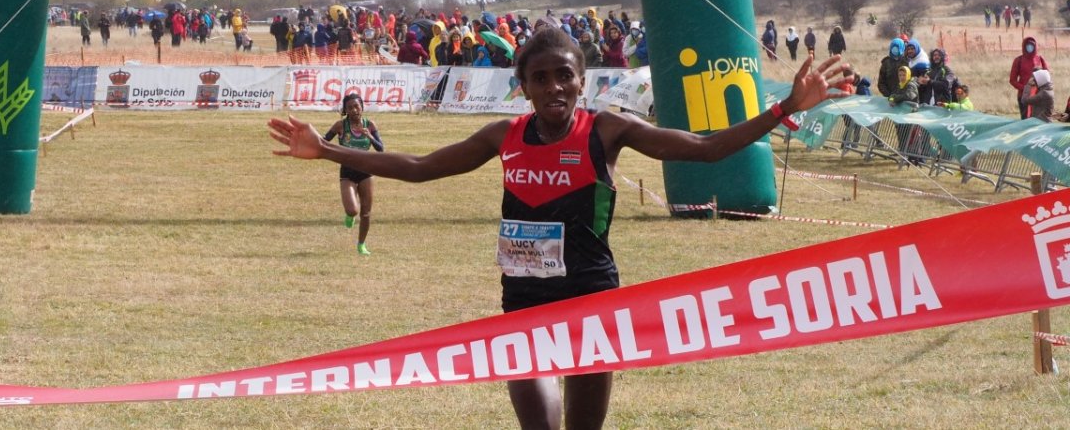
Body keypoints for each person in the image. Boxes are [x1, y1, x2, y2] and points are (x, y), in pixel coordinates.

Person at [268, 28, 850, 430]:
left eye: (564, 76)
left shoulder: (608, 132)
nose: (553, 89)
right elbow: (420, 168)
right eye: (540, 78)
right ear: (522, 84)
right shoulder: (503, 137)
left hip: (594, 300)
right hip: (522, 300)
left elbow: (705, 147)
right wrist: (327, 151)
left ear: (582, 79)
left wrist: (784, 109)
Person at [322, 93, 384, 255]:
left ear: (362, 107)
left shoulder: (370, 124)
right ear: (346, 110)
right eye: (350, 108)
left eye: (357, 106)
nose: (354, 110)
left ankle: (361, 244)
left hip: (366, 171)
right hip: (348, 171)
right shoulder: (340, 126)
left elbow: (380, 149)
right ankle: (349, 216)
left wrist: (369, 136)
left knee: (366, 212)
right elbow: (323, 142)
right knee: (352, 210)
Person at [1009, 36, 1049, 119]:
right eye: (1027, 46)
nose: (1030, 48)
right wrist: (1025, 88)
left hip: (1038, 95)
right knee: (1026, 120)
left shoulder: (1040, 59)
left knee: (1039, 120)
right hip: (1024, 96)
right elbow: (1012, 80)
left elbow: (1047, 76)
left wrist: (1041, 89)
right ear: (1024, 46)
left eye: (1032, 45)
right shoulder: (1018, 60)